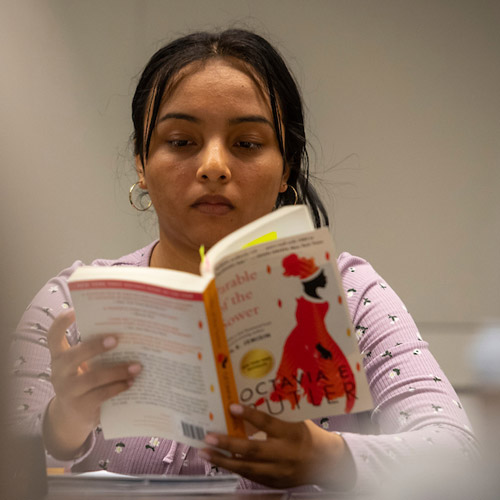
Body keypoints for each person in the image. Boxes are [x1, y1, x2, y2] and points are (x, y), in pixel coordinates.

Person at [9, 29, 478, 493]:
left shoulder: (348, 294)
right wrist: (62, 425)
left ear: (286, 168)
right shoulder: (70, 304)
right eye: (181, 141)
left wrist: (325, 456)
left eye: (247, 144)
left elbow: (457, 456)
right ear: (141, 163)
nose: (214, 165)